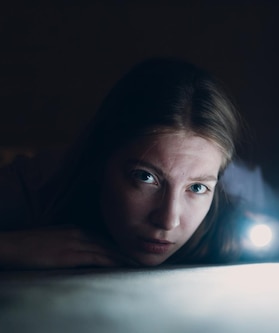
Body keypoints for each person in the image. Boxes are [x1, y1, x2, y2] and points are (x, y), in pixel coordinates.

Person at [0, 57, 249, 269]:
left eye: (196, 188)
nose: (168, 220)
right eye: (145, 177)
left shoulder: (235, 229)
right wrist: (11, 247)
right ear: (100, 160)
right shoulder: (36, 184)